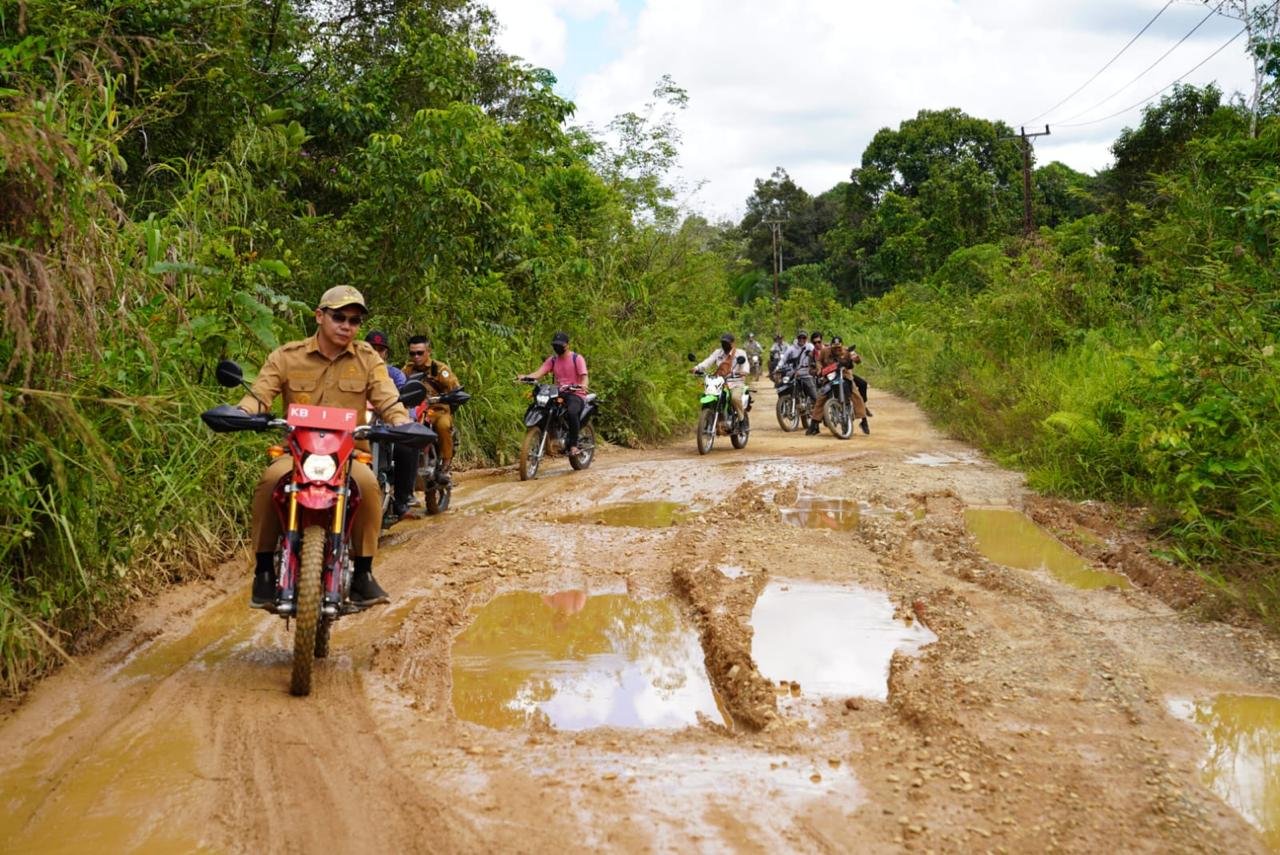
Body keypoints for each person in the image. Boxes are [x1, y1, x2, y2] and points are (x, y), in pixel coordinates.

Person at [237, 286, 408, 608]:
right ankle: (263, 570)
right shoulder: (287, 356)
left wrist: (401, 421)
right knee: (271, 481)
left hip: (347, 456)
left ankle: (363, 573)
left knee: (368, 485)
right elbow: (260, 394)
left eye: (354, 321)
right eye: (339, 317)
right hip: (296, 454)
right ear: (320, 316)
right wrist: (243, 412)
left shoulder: (368, 359)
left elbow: (387, 398)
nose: (347, 326)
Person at [402, 335, 461, 487]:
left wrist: (449, 397)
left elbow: (455, 388)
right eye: (412, 353)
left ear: (428, 352)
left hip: (437, 410)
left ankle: (446, 466)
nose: (416, 357)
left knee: (443, 425)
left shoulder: (440, 369)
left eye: (420, 353)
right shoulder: (407, 370)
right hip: (413, 411)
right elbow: (398, 386)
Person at [519, 331, 589, 457]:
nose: (557, 347)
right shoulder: (553, 360)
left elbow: (584, 377)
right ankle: (549, 438)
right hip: (558, 392)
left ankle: (573, 445)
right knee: (543, 407)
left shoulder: (577, 358)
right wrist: (526, 377)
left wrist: (582, 386)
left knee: (572, 412)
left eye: (560, 345)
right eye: (555, 344)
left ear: (567, 345)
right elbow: (539, 373)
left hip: (575, 393)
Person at [808, 334, 868, 436]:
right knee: (821, 397)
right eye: (834, 347)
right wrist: (819, 369)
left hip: (844, 375)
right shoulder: (824, 351)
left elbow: (857, 360)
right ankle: (814, 424)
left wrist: (855, 358)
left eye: (839, 347)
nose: (837, 349)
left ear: (842, 346)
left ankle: (864, 420)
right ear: (831, 346)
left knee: (856, 395)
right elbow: (818, 361)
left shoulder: (847, 351)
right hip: (830, 377)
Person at [692, 333, 750, 421]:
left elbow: (745, 366)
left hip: (735, 382)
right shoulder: (718, 352)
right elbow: (708, 361)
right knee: (709, 393)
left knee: (734, 398)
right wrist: (697, 368)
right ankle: (714, 417)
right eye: (723, 343)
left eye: (727, 343)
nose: (724, 345)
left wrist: (743, 372)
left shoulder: (740, 353)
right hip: (719, 381)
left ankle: (742, 419)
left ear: (733, 343)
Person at [781, 330, 818, 406]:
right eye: (800, 338)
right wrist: (778, 367)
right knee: (783, 387)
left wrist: (814, 363)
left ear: (806, 339)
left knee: (814, 396)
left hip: (807, 374)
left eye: (804, 338)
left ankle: (818, 410)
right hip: (795, 374)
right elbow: (783, 359)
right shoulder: (791, 348)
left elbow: (817, 356)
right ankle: (789, 403)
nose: (801, 339)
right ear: (797, 338)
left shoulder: (810, 347)